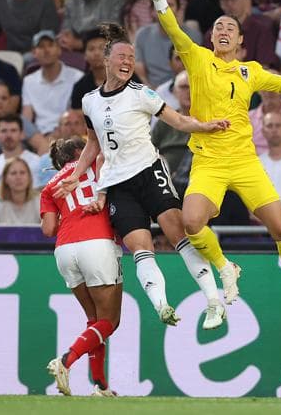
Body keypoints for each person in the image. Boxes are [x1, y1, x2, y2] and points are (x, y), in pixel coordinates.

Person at [143, 0, 281, 328]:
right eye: (218, 26)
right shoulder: (198, 60)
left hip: (245, 162)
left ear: (240, 40)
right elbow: (173, 30)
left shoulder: (251, 71)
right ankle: (225, 267)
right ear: (212, 36)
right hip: (209, 162)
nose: (223, 30)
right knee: (192, 221)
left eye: (230, 26)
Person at [56, 27, 228, 328]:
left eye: (132, 58)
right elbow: (93, 144)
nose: (127, 62)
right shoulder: (89, 101)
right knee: (140, 246)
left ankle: (214, 301)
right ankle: (162, 306)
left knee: (178, 236)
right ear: (106, 59)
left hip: (149, 172)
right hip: (117, 185)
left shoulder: (142, 94)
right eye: (122, 56)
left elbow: (178, 120)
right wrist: (78, 175)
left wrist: (206, 126)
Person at [42, 136, 122, 398]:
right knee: (110, 321)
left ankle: (100, 386)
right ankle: (66, 360)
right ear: (81, 151)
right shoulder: (99, 164)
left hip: (64, 249)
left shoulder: (51, 185)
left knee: (95, 322)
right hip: (97, 243)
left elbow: (48, 230)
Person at [0, 114, 41, 216]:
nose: (9, 135)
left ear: (22, 134)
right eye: (4, 131)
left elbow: (41, 198)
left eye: (13, 131)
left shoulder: (37, 163)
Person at [22, 31, 84, 136]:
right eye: (41, 47)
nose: (46, 51)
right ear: (34, 52)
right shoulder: (29, 81)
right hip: (39, 136)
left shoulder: (77, 77)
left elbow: (78, 116)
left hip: (68, 133)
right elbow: (26, 117)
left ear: (59, 50)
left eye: (50, 45)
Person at [214, 0, 280, 69]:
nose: (229, 3)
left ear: (246, 0)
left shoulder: (261, 30)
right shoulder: (213, 33)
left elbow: (264, 69)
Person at [34, 109, 86, 186]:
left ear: (84, 128)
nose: (72, 127)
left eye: (77, 123)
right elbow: (44, 190)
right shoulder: (47, 160)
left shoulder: (95, 154)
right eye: (67, 124)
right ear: (58, 129)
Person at [0, 156, 39, 223]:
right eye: (13, 173)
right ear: (5, 179)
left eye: (22, 173)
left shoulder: (42, 204)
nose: (18, 177)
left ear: (29, 177)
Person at [70, 30, 106, 110]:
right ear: (85, 56)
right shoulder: (80, 87)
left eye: (102, 48)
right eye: (91, 49)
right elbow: (77, 117)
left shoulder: (127, 79)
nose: (96, 53)